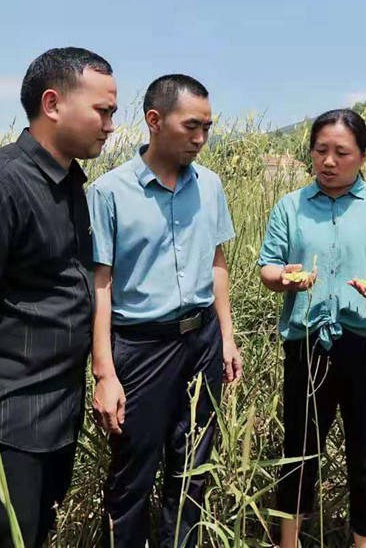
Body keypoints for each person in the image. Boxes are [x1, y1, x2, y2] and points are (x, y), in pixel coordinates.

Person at [0, 48, 118, 547]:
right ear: (53, 104)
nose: (111, 125)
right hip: (4, 428)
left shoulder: (69, 183)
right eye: (103, 111)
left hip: (54, 420)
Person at [88, 74, 242, 548]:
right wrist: (104, 373)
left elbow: (217, 263)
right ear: (154, 121)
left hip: (201, 340)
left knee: (194, 463)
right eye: (191, 126)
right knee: (133, 472)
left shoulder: (210, 185)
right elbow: (101, 284)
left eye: (208, 127)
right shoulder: (109, 192)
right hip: (141, 346)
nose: (201, 138)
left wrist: (228, 336)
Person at [259, 108, 366, 548]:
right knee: (299, 449)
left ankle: (364, 542)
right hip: (307, 345)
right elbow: (269, 267)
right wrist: (284, 277)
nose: (329, 161)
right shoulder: (290, 206)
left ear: (363, 156)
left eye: (342, 153)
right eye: (320, 151)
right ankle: (288, 541)